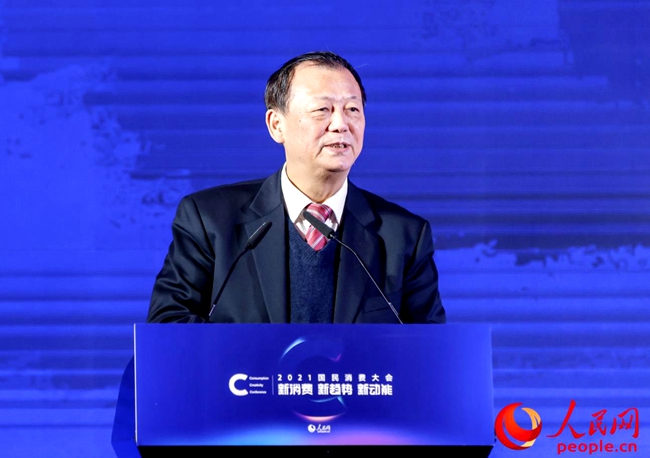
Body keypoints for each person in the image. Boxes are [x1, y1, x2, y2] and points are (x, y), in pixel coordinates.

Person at [147, 51, 445, 324]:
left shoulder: (403, 235)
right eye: (322, 109)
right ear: (276, 125)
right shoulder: (210, 220)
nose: (341, 124)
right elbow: (168, 328)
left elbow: (429, 350)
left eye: (352, 109)